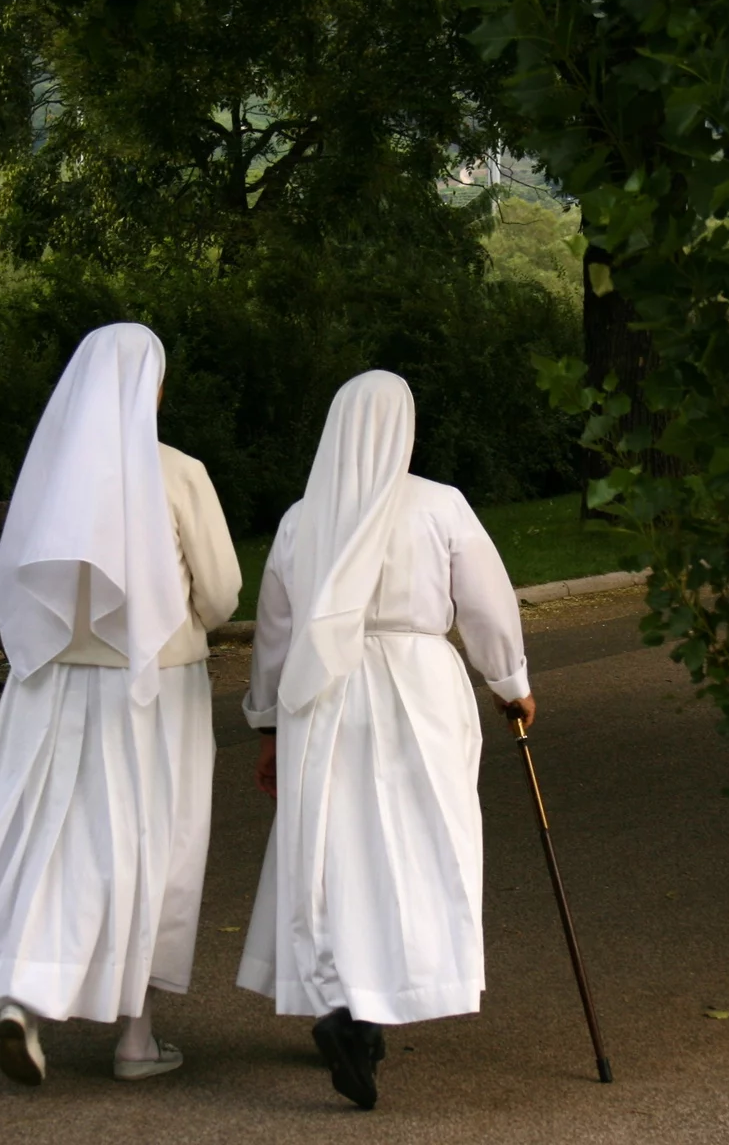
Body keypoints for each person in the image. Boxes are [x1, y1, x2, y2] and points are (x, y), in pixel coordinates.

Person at [0, 323, 242, 1085]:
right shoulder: (178, 472)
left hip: (54, 684)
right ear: (152, 386)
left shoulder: (51, 475)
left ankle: (25, 995)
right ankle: (136, 1038)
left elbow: (18, 584)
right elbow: (219, 595)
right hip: (154, 691)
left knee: (56, 840)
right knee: (152, 845)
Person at [237, 369, 534, 1110]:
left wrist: (269, 723)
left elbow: (273, 633)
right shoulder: (440, 505)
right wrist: (510, 683)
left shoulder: (303, 520)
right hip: (417, 689)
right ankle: (381, 999)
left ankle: (347, 1008)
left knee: (334, 849)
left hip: (322, 693)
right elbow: (487, 608)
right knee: (417, 839)